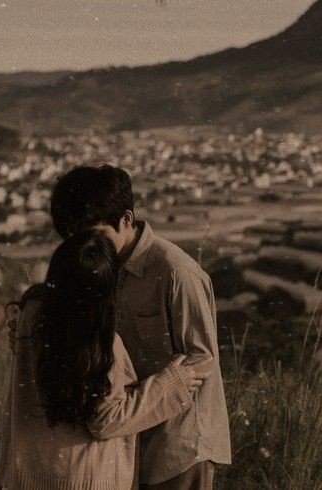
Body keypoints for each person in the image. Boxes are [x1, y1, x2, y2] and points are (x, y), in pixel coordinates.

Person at [50, 165, 231, 490]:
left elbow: (202, 359)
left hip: (179, 444)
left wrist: (149, 392)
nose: (88, 245)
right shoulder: (98, 268)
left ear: (127, 219)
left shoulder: (175, 271)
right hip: (128, 433)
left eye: (96, 234)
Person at [0, 231, 211, 490]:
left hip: (28, 474)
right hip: (86, 478)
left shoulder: (30, 317)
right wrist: (169, 385)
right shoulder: (97, 342)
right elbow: (106, 419)